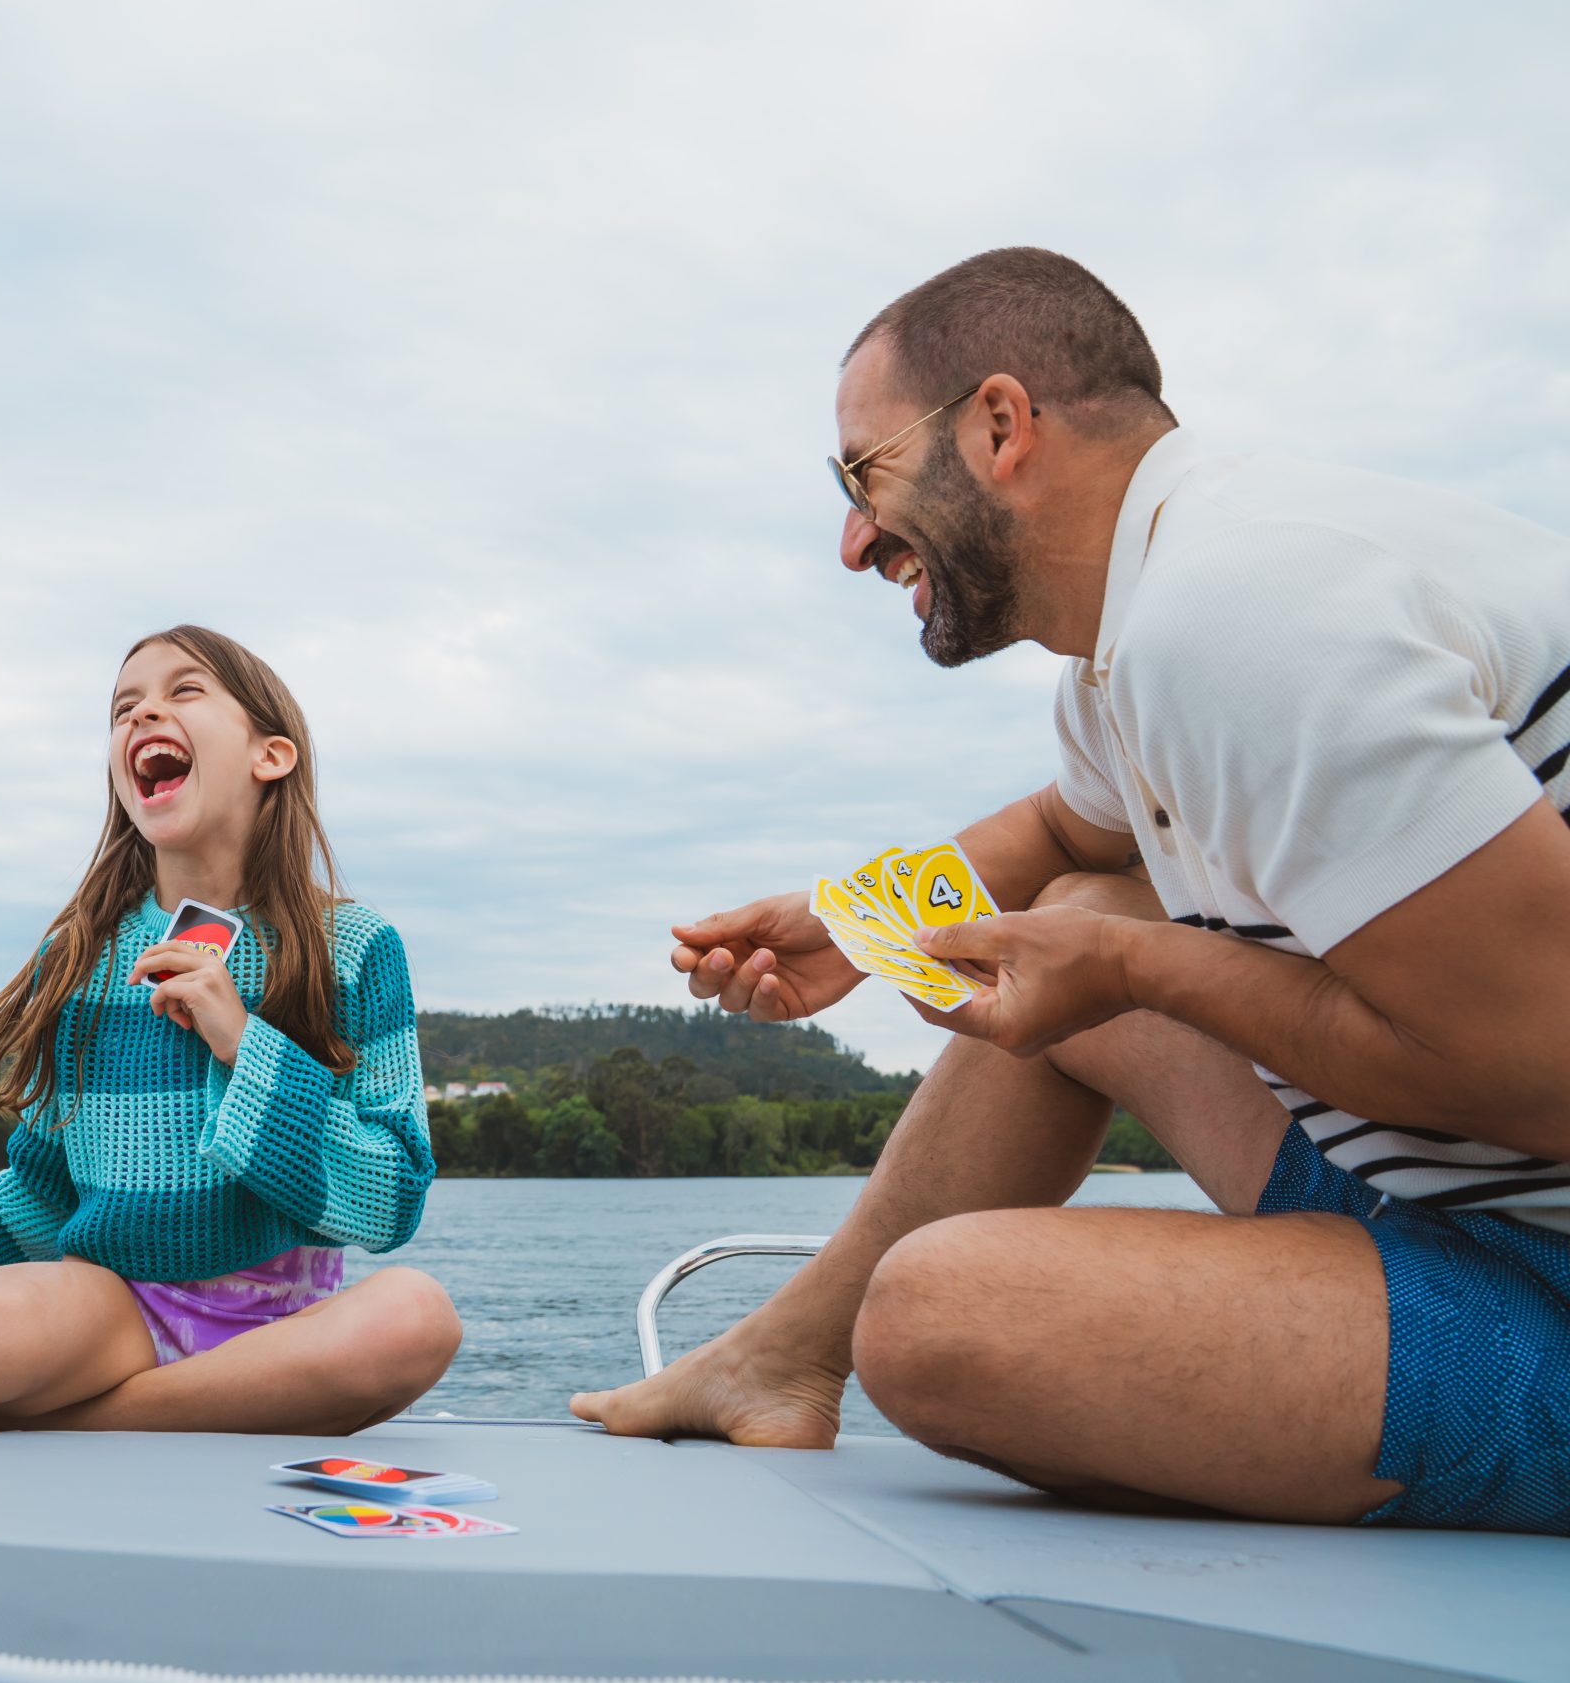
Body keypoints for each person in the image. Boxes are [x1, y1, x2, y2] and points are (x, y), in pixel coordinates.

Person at [573, 247, 1570, 1537]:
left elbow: (1536, 1072)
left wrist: (1129, 970)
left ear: (998, 425)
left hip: (1541, 1255)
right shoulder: (1157, 620)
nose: (852, 540)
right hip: (1466, 1199)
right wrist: (853, 922)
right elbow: (1059, 832)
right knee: (1085, 908)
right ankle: (784, 1356)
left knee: (940, 1318)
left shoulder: (1243, 617)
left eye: (863, 476)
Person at [0, 626, 459, 1432]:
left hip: (286, 1323)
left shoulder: (358, 947)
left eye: (183, 690)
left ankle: (26, 1415)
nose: (142, 714)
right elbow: (45, 1192)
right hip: (108, 1313)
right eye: (124, 706)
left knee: (418, 1317)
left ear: (271, 755)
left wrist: (244, 1042)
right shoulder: (80, 956)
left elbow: (392, 1199)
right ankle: (125, 1399)